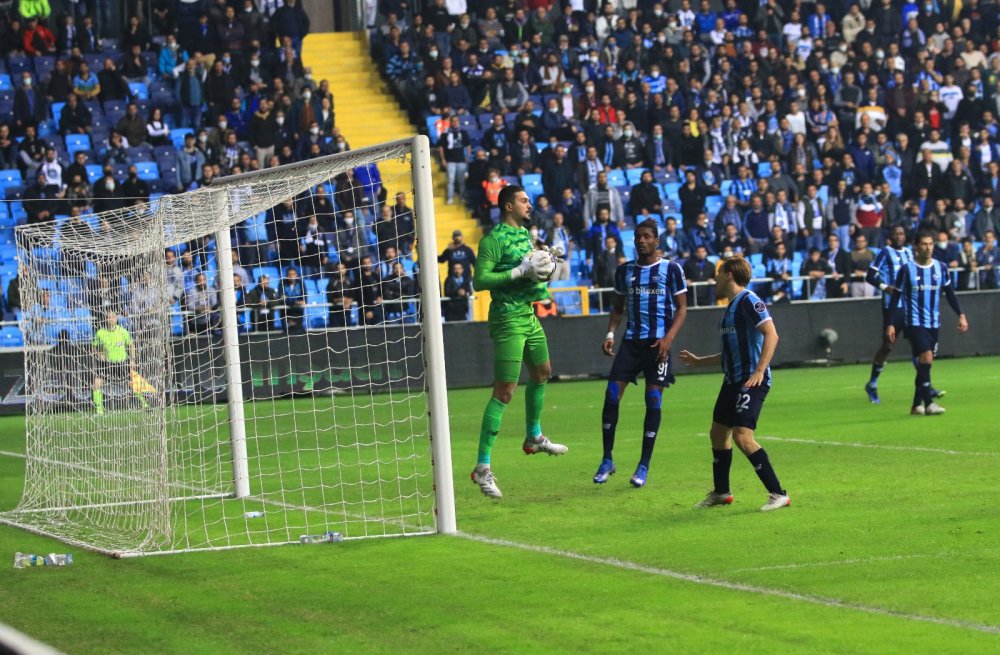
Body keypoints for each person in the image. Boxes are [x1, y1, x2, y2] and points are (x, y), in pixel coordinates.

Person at [470, 185, 567, 498]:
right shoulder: (493, 239)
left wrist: (547, 263)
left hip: (528, 314)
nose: (530, 204)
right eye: (525, 200)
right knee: (505, 391)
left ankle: (533, 437)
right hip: (507, 318)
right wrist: (519, 270)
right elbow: (480, 280)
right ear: (508, 205)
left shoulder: (525, 235)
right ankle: (482, 468)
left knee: (543, 372)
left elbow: (531, 272)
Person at [679, 256, 790, 512]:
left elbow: (771, 334)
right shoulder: (729, 308)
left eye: (718, 273)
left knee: (742, 436)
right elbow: (730, 353)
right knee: (718, 434)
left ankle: (778, 493)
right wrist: (699, 362)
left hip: (750, 381)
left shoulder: (750, 300)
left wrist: (760, 370)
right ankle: (721, 492)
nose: (715, 278)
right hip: (731, 381)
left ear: (729, 274)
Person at [595, 219, 687, 488]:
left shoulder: (671, 269)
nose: (641, 241)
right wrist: (611, 333)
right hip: (631, 343)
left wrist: (669, 339)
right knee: (612, 394)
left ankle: (643, 465)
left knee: (653, 400)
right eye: (638, 236)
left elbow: (682, 309)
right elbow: (618, 308)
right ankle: (607, 459)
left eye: (647, 236)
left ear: (656, 241)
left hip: (658, 345)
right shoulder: (624, 271)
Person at [884, 232, 969, 415]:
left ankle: (916, 405)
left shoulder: (941, 268)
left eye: (931, 244)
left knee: (925, 363)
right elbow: (896, 297)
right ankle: (929, 403)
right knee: (927, 357)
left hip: (934, 323)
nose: (928, 247)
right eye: (924, 244)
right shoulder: (907, 270)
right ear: (916, 246)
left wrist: (961, 315)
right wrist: (890, 323)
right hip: (914, 322)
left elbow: (950, 294)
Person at [863, 225, 918, 404]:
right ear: (890, 237)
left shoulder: (910, 253)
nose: (899, 236)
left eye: (901, 233)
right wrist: (885, 287)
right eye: (895, 234)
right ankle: (872, 384)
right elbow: (870, 276)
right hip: (892, 307)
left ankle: (925, 384)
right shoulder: (885, 253)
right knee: (888, 346)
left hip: (910, 306)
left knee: (919, 344)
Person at [92, 310, 148, 415]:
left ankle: (145, 405)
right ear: (105, 319)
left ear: (116, 318)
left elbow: (131, 344)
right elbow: (93, 347)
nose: (111, 319)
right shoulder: (100, 333)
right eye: (109, 317)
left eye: (113, 317)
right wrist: (99, 354)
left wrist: (132, 359)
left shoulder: (123, 331)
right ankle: (99, 411)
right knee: (96, 384)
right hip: (107, 364)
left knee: (132, 384)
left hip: (122, 363)